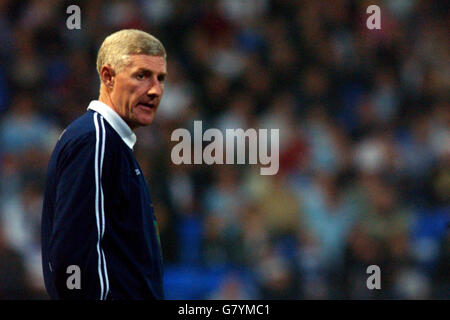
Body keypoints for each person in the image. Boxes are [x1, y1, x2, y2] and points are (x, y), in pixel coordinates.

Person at [41, 29, 167, 300]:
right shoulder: (95, 141)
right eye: (142, 75)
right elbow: (72, 254)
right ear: (108, 76)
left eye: (160, 78)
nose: (155, 90)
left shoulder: (109, 142)